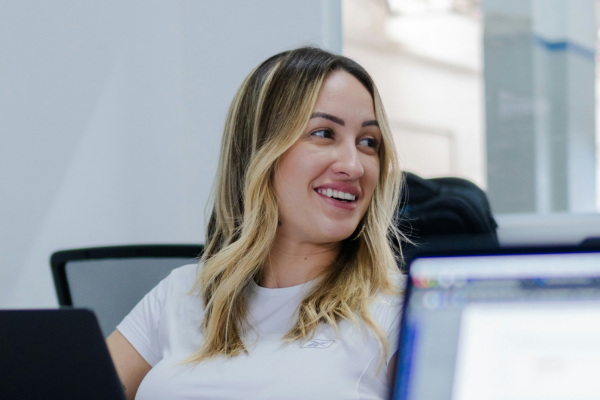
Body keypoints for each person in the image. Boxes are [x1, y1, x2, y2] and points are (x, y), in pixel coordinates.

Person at [106, 47, 407, 400]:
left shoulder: (400, 310)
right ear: (259, 150)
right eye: (324, 134)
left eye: (368, 142)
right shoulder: (183, 294)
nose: (354, 166)